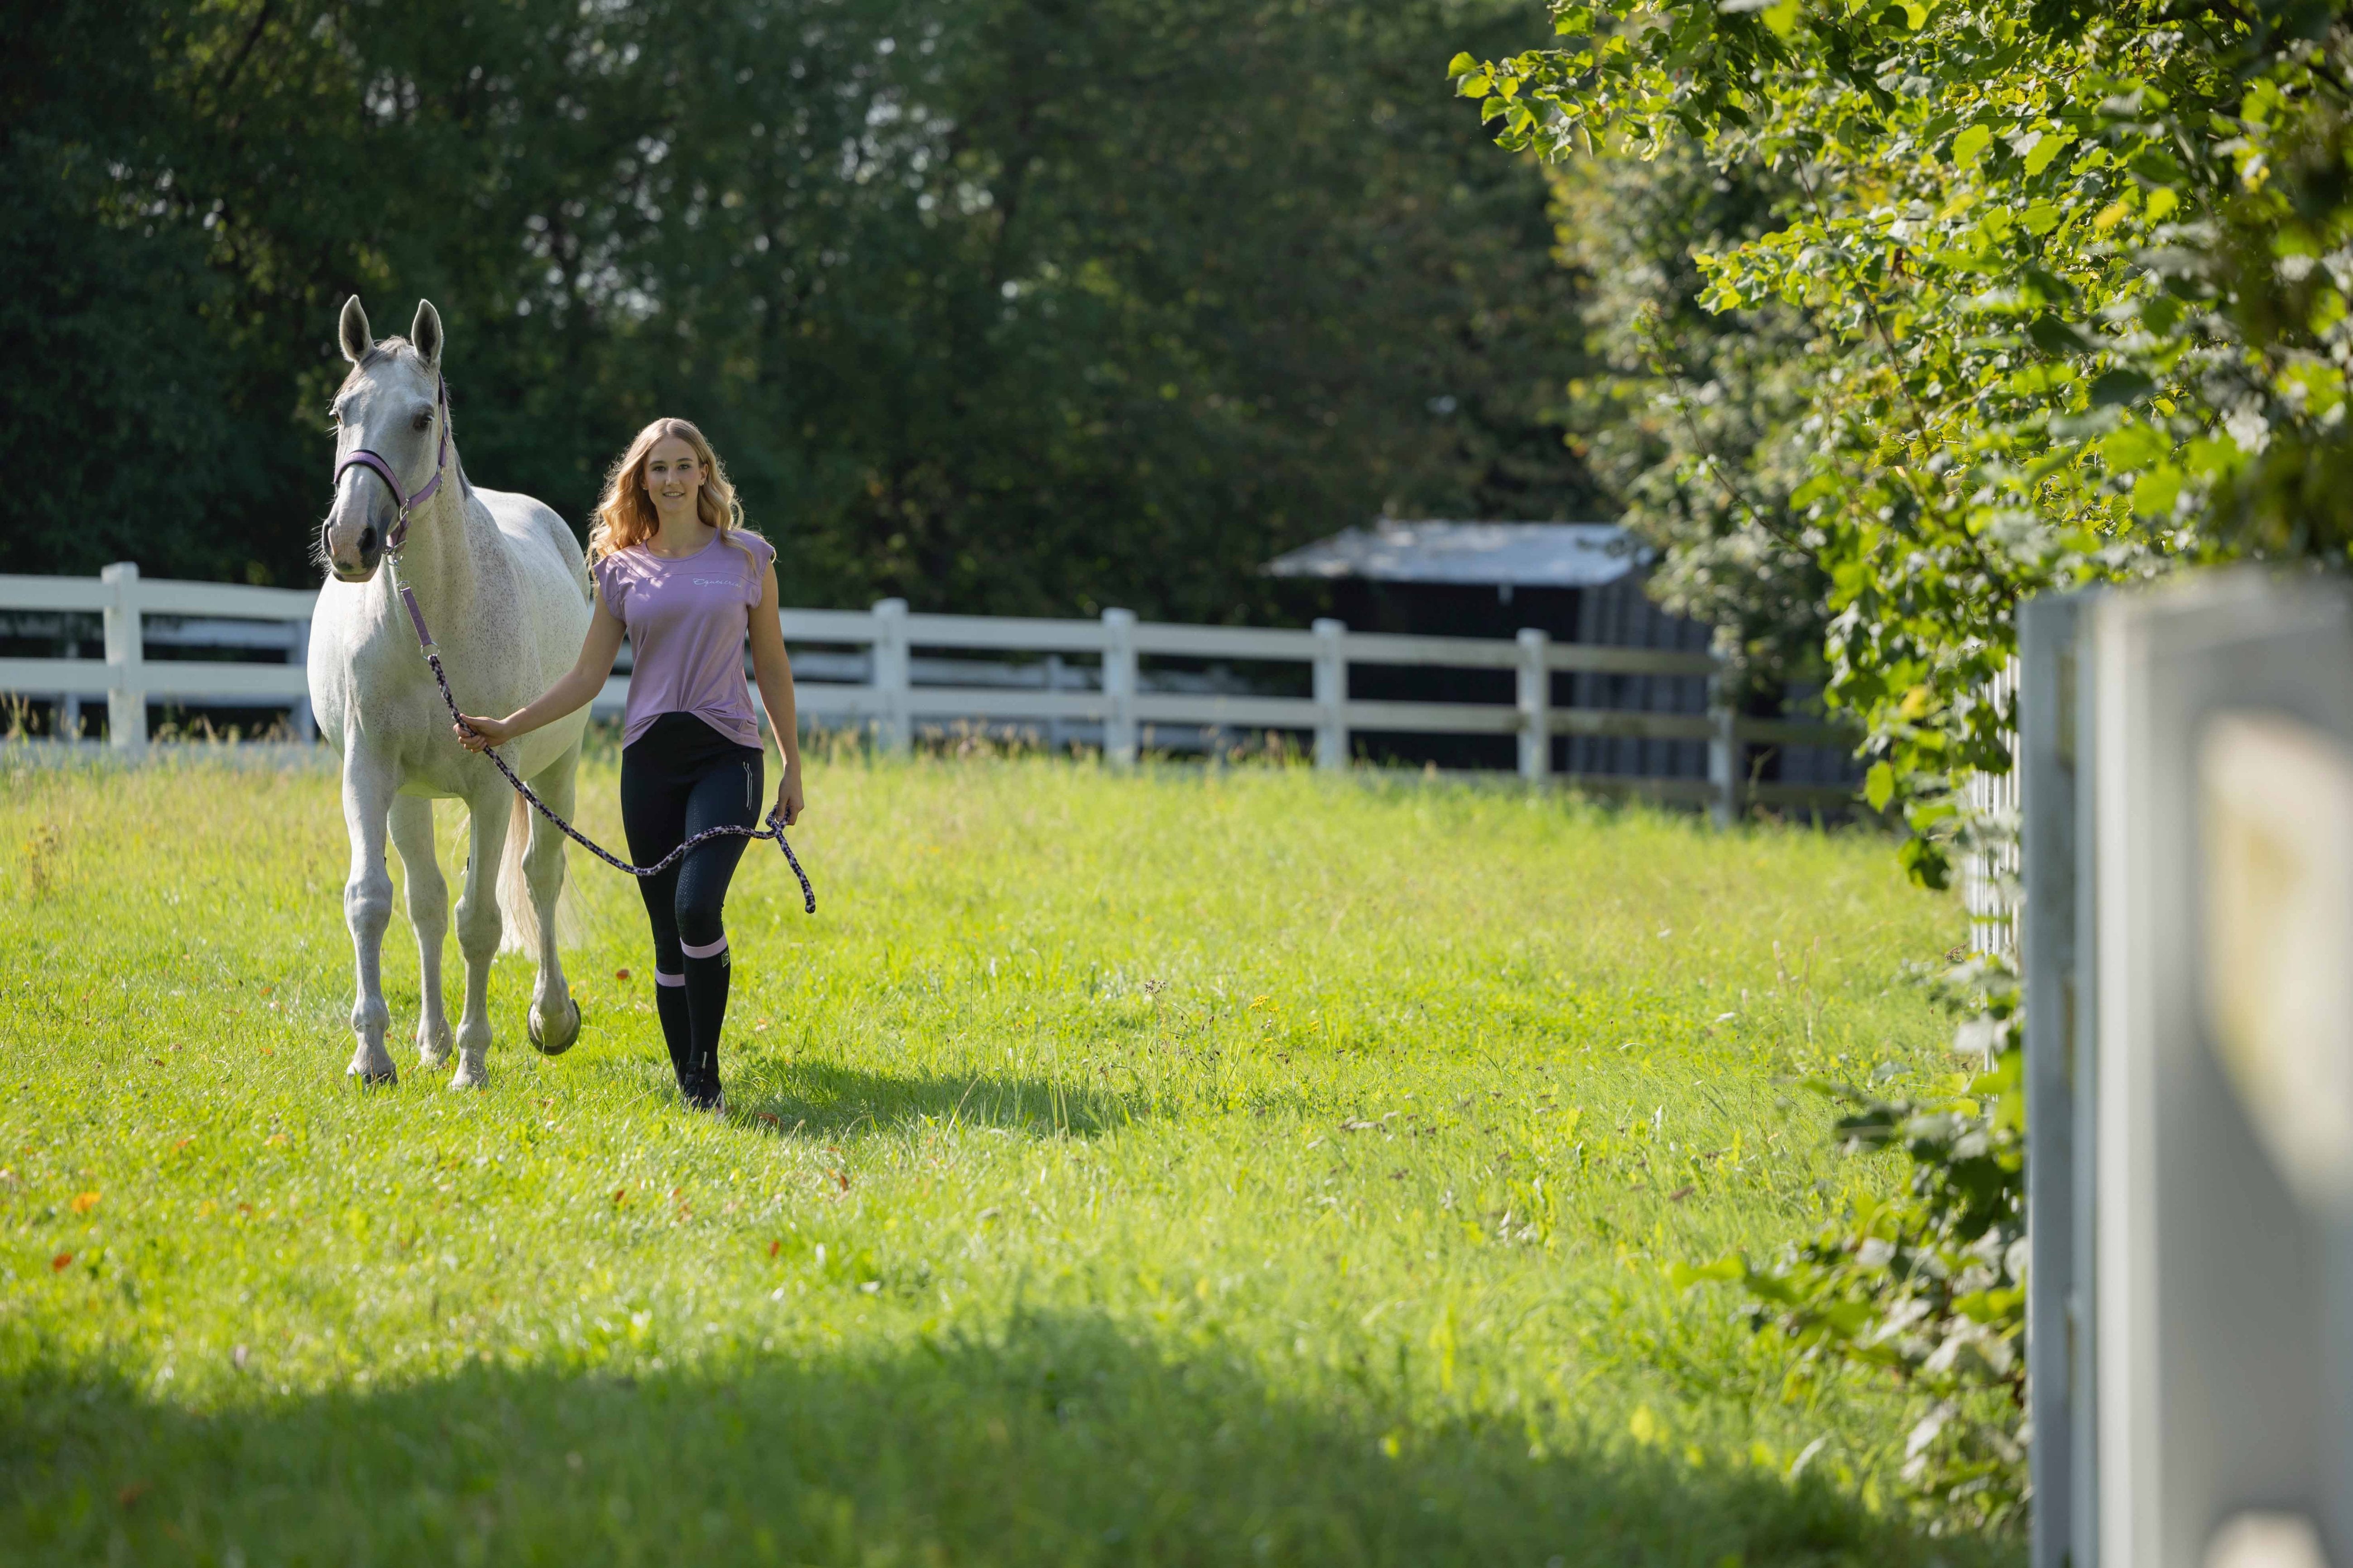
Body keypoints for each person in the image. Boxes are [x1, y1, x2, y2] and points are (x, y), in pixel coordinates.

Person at [456, 418, 805, 1111]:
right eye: (659, 469)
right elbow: (587, 676)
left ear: (705, 472)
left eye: (684, 466)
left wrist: (793, 764)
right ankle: (689, 1082)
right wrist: (510, 728)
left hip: (728, 752)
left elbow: (771, 665)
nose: (672, 480)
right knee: (665, 932)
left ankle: (707, 1074)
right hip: (649, 761)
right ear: (641, 480)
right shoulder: (618, 567)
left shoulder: (747, 558)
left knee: (697, 907)